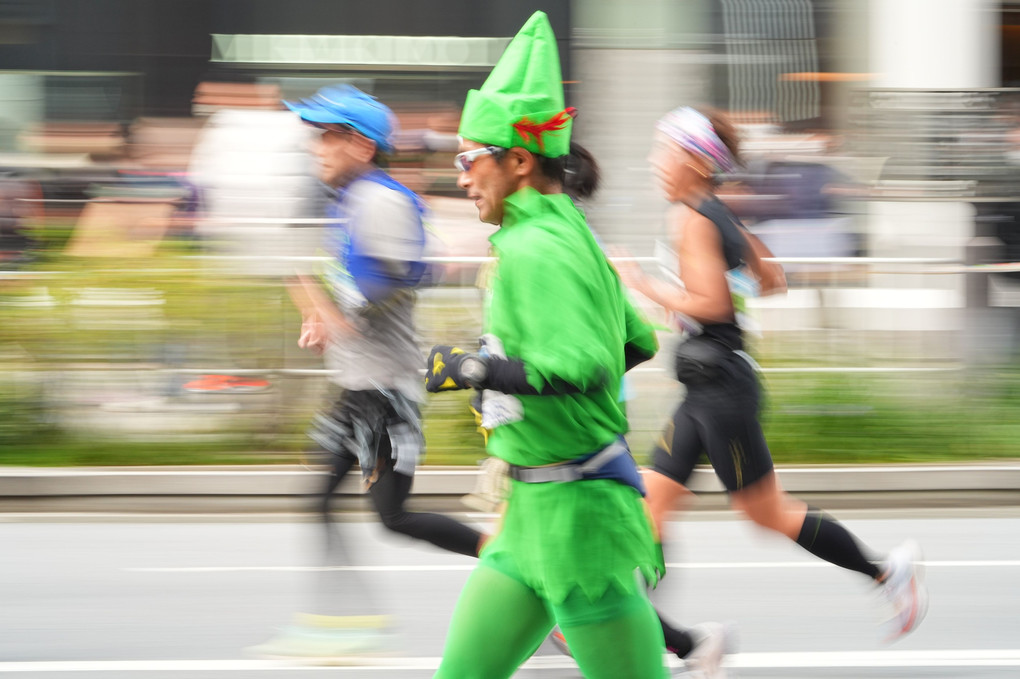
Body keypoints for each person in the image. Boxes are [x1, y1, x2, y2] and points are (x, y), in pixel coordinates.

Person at [612, 105, 929, 645]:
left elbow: (712, 303)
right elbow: (773, 278)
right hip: (707, 387)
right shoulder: (712, 212)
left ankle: (885, 572)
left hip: (722, 393)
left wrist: (641, 283)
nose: (654, 162)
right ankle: (645, 632)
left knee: (766, 514)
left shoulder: (695, 218)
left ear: (695, 160)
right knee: (651, 507)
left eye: (664, 151)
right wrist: (717, 282)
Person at [423, 12, 671, 679]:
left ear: (520, 160)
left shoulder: (538, 246)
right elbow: (637, 341)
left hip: (579, 524)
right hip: (529, 515)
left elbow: (587, 365)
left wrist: (477, 368)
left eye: (468, 159)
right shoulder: (568, 232)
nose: (461, 176)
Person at [249, 84, 485, 661]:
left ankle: (506, 553)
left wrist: (315, 301)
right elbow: (358, 293)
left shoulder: (380, 201)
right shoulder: (352, 200)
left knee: (394, 517)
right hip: (357, 390)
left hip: (385, 393)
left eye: (327, 136)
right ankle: (339, 621)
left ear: (360, 144)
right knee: (320, 500)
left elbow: (391, 283)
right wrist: (318, 312)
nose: (316, 148)